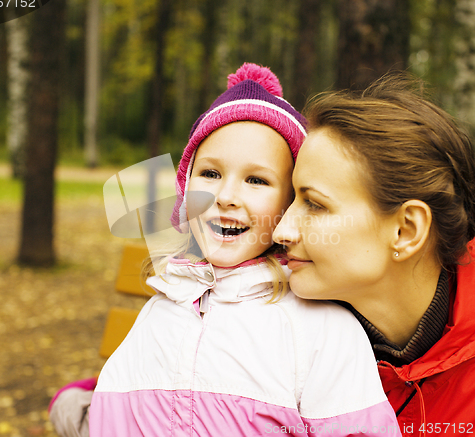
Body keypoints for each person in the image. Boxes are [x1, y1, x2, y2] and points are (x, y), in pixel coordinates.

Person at [56, 64, 399, 436]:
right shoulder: (163, 306)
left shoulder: (319, 327)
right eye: (210, 174)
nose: (225, 197)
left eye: (256, 180)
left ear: (290, 204)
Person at [273, 74, 475, 437]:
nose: (281, 231)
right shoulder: (269, 331)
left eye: (314, 205)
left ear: (406, 231)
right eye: (292, 199)